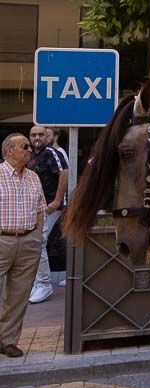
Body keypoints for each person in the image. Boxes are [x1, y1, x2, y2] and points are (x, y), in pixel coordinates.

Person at [0, 134, 46, 357]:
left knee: (18, 296)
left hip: (28, 241)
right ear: (10, 151)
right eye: (24, 146)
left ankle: (7, 341)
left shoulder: (33, 177)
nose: (30, 149)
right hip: (2, 239)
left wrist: (36, 237)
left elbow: (40, 209)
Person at [27, 124, 68, 304]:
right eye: (33, 135)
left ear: (47, 136)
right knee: (36, 242)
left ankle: (44, 284)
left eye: (40, 135)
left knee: (39, 242)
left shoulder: (52, 152)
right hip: (37, 208)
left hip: (51, 206)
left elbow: (64, 173)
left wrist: (57, 200)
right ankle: (39, 282)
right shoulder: (32, 156)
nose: (37, 138)